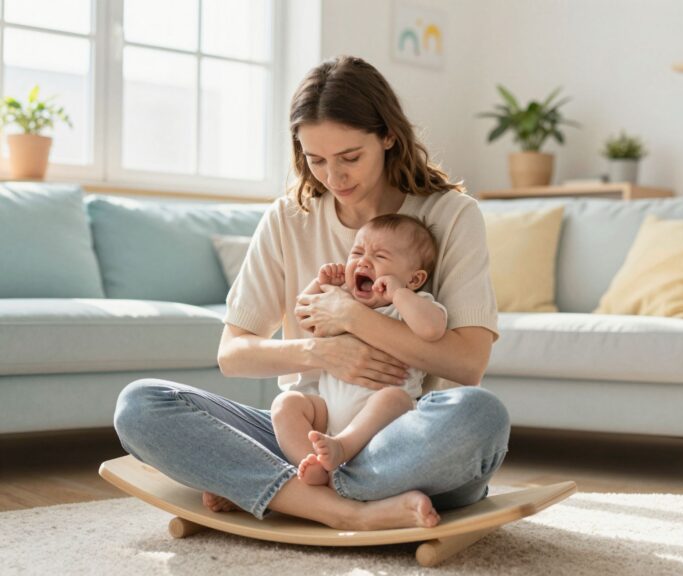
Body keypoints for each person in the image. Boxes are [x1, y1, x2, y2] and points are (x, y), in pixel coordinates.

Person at [113, 55, 510, 532]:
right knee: (141, 406)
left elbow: (468, 364)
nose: (333, 177)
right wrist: (323, 352)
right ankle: (348, 510)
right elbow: (233, 355)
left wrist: (353, 316)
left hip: (406, 436)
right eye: (315, 160)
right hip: (307, 438)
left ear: (388, 136)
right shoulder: (288, 218)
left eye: (349, 158)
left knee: (479, 418)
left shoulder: (451, 215)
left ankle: (272, 490)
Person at [271, 214, 448, 487]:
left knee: (394, 399)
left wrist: (400, 294)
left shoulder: (412, 304)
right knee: (286, 404)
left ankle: (342, 448)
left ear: (415, 278)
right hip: (328, 417)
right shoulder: (341, 301)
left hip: (383, 428)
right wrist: (320, 283)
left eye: (380, 256)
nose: (364, 261)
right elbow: (304, 316)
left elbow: (432, 329)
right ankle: (313, 464)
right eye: (357, 252)